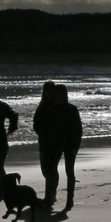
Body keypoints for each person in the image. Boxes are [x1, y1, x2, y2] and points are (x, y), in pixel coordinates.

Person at [33, 81, 84, 213]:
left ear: (65, 96)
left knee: (69, 173)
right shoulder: (49, 110)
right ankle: (50, 197)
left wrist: (75, 146)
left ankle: (69, 199)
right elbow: (40, 126)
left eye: (61, 96)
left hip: (69, 145)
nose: (58, 98)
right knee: (51, 171)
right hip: (54, 145)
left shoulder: (72, 109)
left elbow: (78, 130)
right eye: (57, 96)